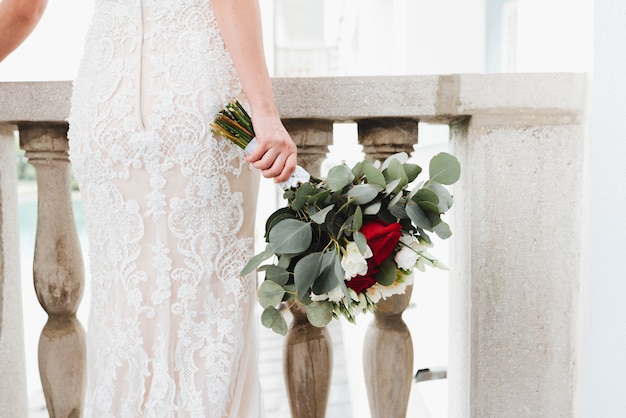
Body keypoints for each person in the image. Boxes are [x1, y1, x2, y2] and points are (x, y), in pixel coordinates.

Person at [64, 1, 296, 417]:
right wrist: (264, 111)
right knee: (209, 315)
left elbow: (23, 9)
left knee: (125, 312)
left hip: (105, 100)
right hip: (192, 93)